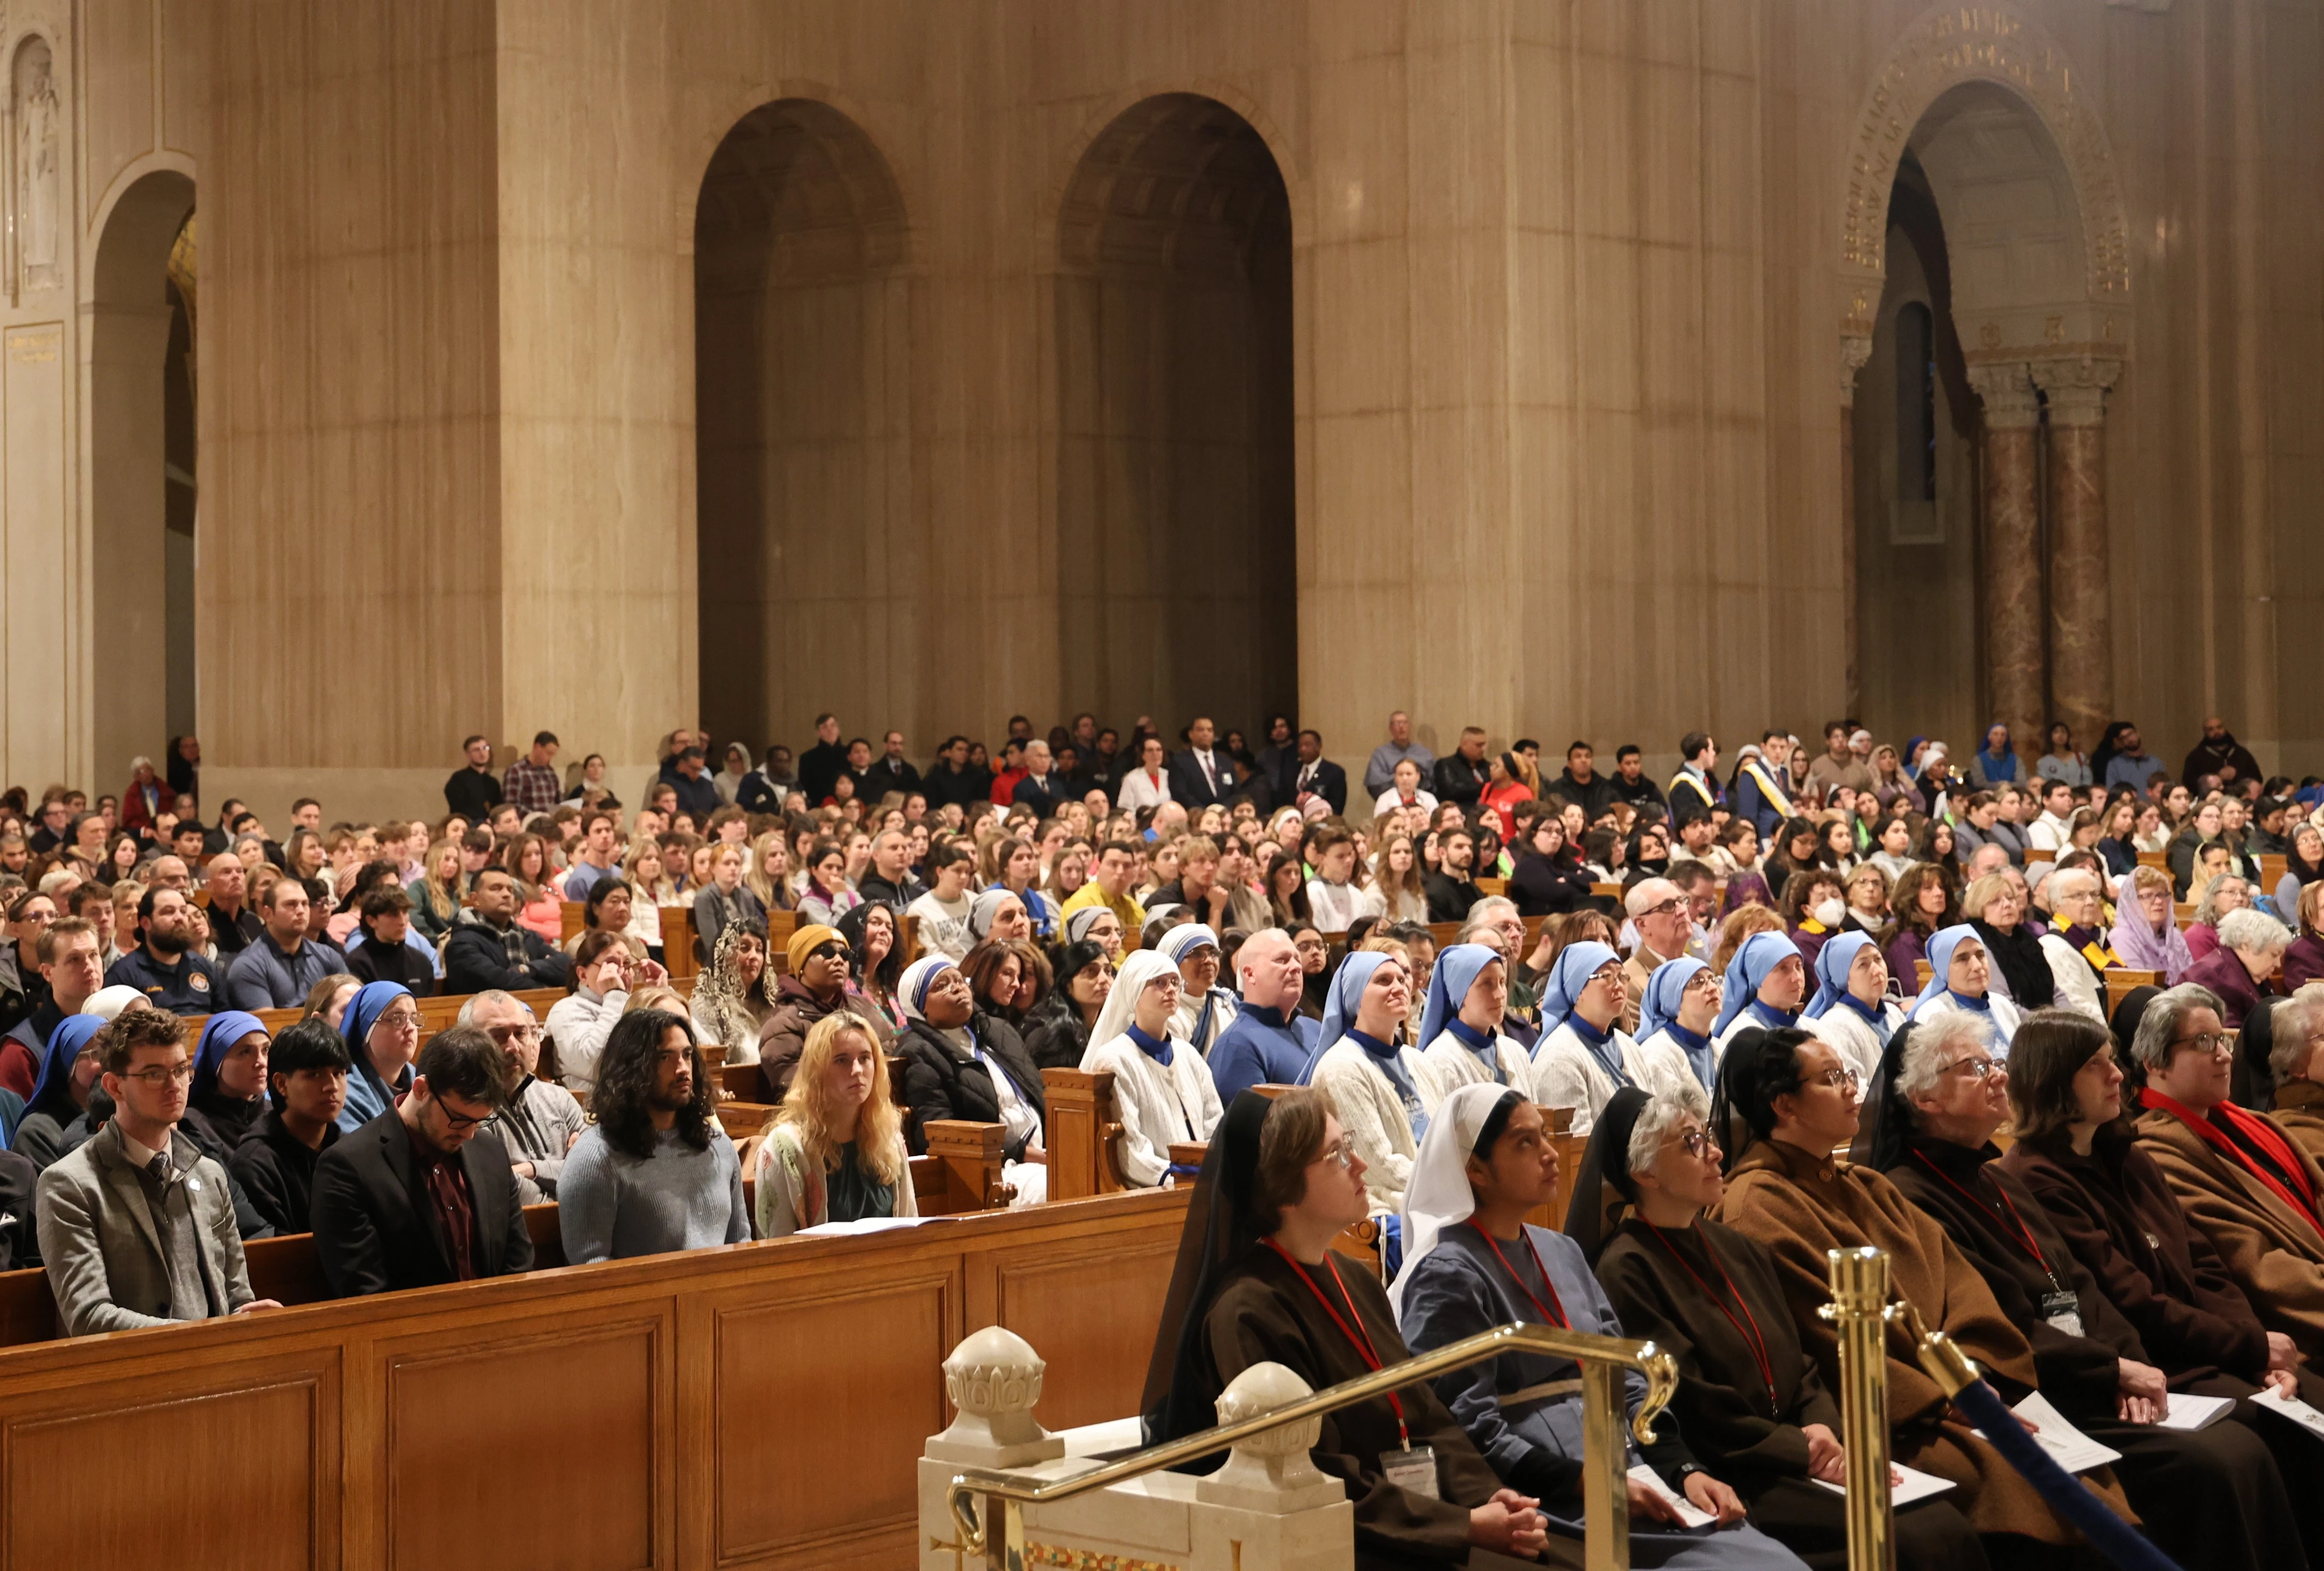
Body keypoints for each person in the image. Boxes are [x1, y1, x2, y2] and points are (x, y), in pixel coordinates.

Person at [1865, 1010, 2306, 1571]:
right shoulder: (1912, 1195)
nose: (1996, 1074)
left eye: (1994, 1062)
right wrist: (2112, 1370)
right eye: (1975, 1067)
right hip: (2039, 1391)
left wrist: (2126, 1362)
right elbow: (1997, 1325)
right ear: (1925, 1099)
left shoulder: (1993, 1176)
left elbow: (2082, 1286)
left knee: (2248, 1436)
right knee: (2219, 1461)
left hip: (2097, 1372)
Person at [1712, 1025, 2135, 1547]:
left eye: (1849, 1074)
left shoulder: (1868, 1185)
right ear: (1784, 1105)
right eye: (1831, 1079)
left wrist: (1973, 1372)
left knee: (2085, 1482)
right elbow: (1823, 1339)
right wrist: (1944, 1396)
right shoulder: (1757, 1203)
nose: (1852, 1088)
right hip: (1894, 1417)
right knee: (2035, 1494)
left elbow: (1963, 1287)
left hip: (1964, 1392)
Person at [1394, 1084, 1806, 1568]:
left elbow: (1631, 1377)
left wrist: (1684, 1469)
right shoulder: (1447, 1274)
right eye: (1525, 1143)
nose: (1551, 1154)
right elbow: (1471, 1426)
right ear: (1475, 1170)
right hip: (1551, 1491)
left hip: (1632, 1466)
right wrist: (1590, 1481)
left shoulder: (1561, 1250)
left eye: (1545, 1136)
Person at [1141, 1086, 1552, 1566]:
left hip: (1415, 1520)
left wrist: (1490, 1495)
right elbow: (1309, 1472)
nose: (1359, 1165)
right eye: (1336, 1155)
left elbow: (1425, 1415)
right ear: (1285, 1186)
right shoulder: (1246, 1311)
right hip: (1343, 1542)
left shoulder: (1355, 1278)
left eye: (1349, 1144)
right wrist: (1463, 1526)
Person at [1584, 1087, 1986, 1571]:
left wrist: (1823, 1427)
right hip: (1738, 1470)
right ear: (1645, 1172)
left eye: (1708, 1135)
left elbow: (1801, 1362)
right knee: (1912, 1542)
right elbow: (1691, 1402)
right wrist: (1802, 1449)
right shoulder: (1626, 1269)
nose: (1714, 1152)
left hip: (1800, 1449)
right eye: (1691, 1143)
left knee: (1946, 1521)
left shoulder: (1736, 1246)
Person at [33, 1009, 277, 1336]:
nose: (174, 1085)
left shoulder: (210, 1174)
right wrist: (200, 1336)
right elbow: (89, 1316)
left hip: (213, 1366)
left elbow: (236, 1296)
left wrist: (248, 1316)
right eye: (153, 1074)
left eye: (180, 1070)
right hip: (127, 1376)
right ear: (114, 1086)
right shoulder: (69, 1183)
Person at [2132, 982, 2324, 1357]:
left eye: (2223, 1040)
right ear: (2154, 1062)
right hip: (2287, 1331)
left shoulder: (2254, 1122)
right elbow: (2255, 1265)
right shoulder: (2154, 1154)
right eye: (2204, 1041)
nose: (2222, 1055)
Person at [312, 1026, 533, 1294]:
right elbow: (366, 1292)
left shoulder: (490, 1151)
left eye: (480, 1120)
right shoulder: (346, 1166)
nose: (469, 1134)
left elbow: (518, 1263)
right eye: (460, 1119)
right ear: (421, 1089)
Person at [558, 1009, 747, 1262]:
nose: (682, 1070)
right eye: (664, 1058)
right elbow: (591, 1273)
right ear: (631, 1068)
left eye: (687, 1056)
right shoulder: (596, 1158)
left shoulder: (719, 1147)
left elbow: (740, 1246)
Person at [893, 955, 1048, 1202]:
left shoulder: (997, 1031)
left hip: (1044, 1150)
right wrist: (1028, 1154)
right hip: (994, 1168)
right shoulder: (919, 1051)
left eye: (958, 980)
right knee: (1056, 1187)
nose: (956, 987)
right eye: (941, 985)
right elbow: (936, 1130)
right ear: (921, 1006)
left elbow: (1037, 1092)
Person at [1295, 949, 1432, 1217]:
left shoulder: (1418, 1060)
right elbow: (1376, 1164)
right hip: (1384, 1204)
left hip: (1432, 1189)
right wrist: (1450, 1183)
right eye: (1383, 981)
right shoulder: (1342, 1068)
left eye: (1402, 980)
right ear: (1355, 998)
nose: (1399, 987)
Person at [756, 1012, 919, 1236]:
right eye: (842, 1060)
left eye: (865, 1058)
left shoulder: (888, 1137)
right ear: (818, 1071)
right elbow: (775, 1250)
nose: (857, 1071)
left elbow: (911, 1230)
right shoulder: (785, 1148)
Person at [1076, 949, 1219, 1189]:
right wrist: (1178, 1178)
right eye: (1159, 983)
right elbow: (1132, 1153)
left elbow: (1214, 1122)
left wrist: (1214, 1169)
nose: (1171, 990)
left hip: (1201, 1183)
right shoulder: (1115, 1059)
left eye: (1175, 982)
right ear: (1135, 991)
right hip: (1155, 1191)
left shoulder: (1188, 1054)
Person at [1529, 940, 1678, 1133]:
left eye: (1621, 975)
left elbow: (1655, 1116)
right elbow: (1578, 1146)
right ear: (1578, 989)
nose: (1618, 985)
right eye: (1607, 976)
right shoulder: (1558, 1058)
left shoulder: (1627, 1045)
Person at [225, 1018, 349, 1234]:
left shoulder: (351, 1151)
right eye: (314, 1075)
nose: (332, 1086)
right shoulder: (254, 1164)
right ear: (282, 1084)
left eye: (339, 1073)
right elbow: (278, 1254)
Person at [465, 989, 585, 1202]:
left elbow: (595, 1167)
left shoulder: (560, 1098)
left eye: (520, 1034)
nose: (513, 1047)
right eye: (498, 1036)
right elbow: (498, 1184)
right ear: (467, 1041)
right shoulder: (466, 1110)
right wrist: (563, 1185)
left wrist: (531, 1169)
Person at [757, 922, 896, 1099]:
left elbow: (890, 1063)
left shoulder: (863, 1008)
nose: (839, 961)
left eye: (845, 955)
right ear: (801, 963)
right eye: (827, 953)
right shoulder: (784, 1022)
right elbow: (793, 1085)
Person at [1, 918, 106, 1098]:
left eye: (93, 955)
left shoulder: (121, 1022)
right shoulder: (21, 1051)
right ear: (48, 973)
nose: (89, 967)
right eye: (74, 959)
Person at [1414, 942, 1531, 1102]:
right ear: (1459, 994)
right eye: (1487, 984)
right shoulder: (1441, 1061)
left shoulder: (1517, 1052)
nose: (1500, 994)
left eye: (1502, 982)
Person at [443, 867, 573, 994]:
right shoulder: (461, 944)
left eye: (510, 890)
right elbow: (499, 984)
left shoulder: (527, 936)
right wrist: (545, 986)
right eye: (496, 889)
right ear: (475, 899)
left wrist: (527, 968)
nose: (506, 895)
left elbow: (568, 967)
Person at [223, 878, 347, 1010]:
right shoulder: (248, 965)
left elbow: (353, 1006)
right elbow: (269, 1024)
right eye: (291, 904)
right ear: (268, 914)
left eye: (305, 904)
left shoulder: (328, 955)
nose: (301, 911)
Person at [1797, 931, 1900, 1085]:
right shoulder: (1837, 1025)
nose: (1877, 971)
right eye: (1863, 965)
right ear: (1843, 977)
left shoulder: (1893, 1013)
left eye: (1878, 959)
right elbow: (1856, 1092)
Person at [10, 1012, 107, 1171]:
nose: (107, 1063)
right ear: (69, 1065)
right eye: (97, 1054)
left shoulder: (126, 1116)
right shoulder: (37, 1132)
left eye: (113, 1054)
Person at [103, 886, 221, 1016]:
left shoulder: (205, 967)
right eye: (169, 912)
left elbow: (227, 1019)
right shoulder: (124, 974)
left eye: (183, 911)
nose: (179, 918)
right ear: (146, 923)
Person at [1903, 925, 2021, 1054]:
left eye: (1980, 955)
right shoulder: (1934, 1013)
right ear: (1944, 970)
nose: (1977, 966)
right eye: (1963, 959)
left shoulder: (2002, 1004)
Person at [2184, 907, 2291, 1029]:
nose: (2278, 964)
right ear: (2246, 946)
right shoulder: (2213, 978)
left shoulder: (2251, 972)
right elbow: (2231, 1037)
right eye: (2274, 955)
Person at [1632, 957, 1723, 1099]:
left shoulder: (1719, 1047)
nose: (1713, 988)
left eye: (1712, 979)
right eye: (1698, 982)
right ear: (1673, 999)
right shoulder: (1657, 1055)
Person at [1708, 932, 1805, 1059]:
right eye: (1783, 969)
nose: (1797, 977)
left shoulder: (1811, 1027)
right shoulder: (1744, 1037)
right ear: (1757, 977)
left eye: (1798, 966)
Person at [1157, 922, 1239, 1057]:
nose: (1208, 961)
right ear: (1173, 963)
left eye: (1213, 953)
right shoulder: (1165, 1012)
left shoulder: (1227, 1002)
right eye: (1196, 954)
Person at [339, 882, 435, 996]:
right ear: (371, 921)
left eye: (405, 912)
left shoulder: (421, 961)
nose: (402, 921)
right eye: (393, 915)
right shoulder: (357, 964)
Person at [2109, 863, 2191, 984]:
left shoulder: (2175, 936)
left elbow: (2192, 977)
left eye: (2162, 895)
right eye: (2148, 896)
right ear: (2131, 904)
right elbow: (2139, 987)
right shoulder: (2122, 938)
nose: (2158, 901)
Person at [1364, 710, 1437, 800]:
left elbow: (1434, 783)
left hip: (1422, 803)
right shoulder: (1380, 754)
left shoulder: (1424, 753)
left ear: (1410, 726)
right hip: (1391, 804)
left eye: (1405, 723)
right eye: (1397, 723)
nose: (1402, 727)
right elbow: (1375, 785)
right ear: (1391, 728)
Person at [2185, 717, 2264, 791]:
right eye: (2211, 729)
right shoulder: (2196, 757)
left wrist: (2238, 775)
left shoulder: (2242, 753)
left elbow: (2257, 778)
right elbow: (2189, 783)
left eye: (2219, 727)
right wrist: (2217, 778)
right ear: (2205, 732)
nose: (2216, 732)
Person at [1423, 827, 1483, 923]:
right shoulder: (1434, 894)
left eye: (1470, 847)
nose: (1468, 852)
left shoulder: (1472, 889)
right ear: (1442, 853)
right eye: (1459, 847)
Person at [444, 734, 504, 820]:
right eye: (477, 750)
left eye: (485, 748)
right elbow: (458, 810)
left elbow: (499, 809)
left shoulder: (493, 783)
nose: (482, 753)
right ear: (467, 755)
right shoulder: (459, 779)